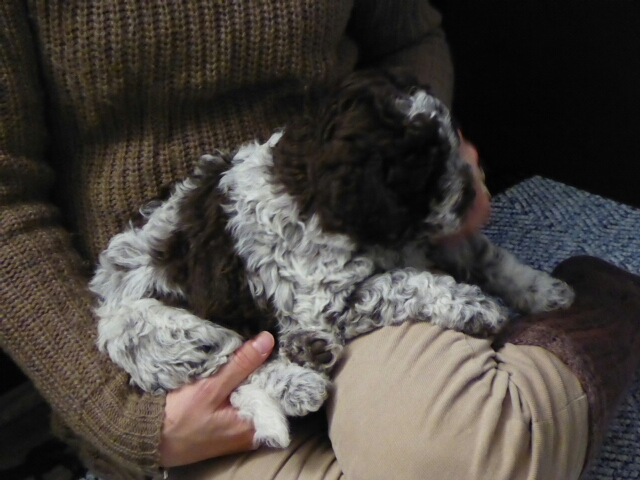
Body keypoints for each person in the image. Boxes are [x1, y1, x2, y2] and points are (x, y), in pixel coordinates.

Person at [2, 1, 640, 479]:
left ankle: (603, 308)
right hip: (171, 329)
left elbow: (410, 37)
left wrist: (426, 157)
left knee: (459, 455)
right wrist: (122, 419)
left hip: (355, 245)